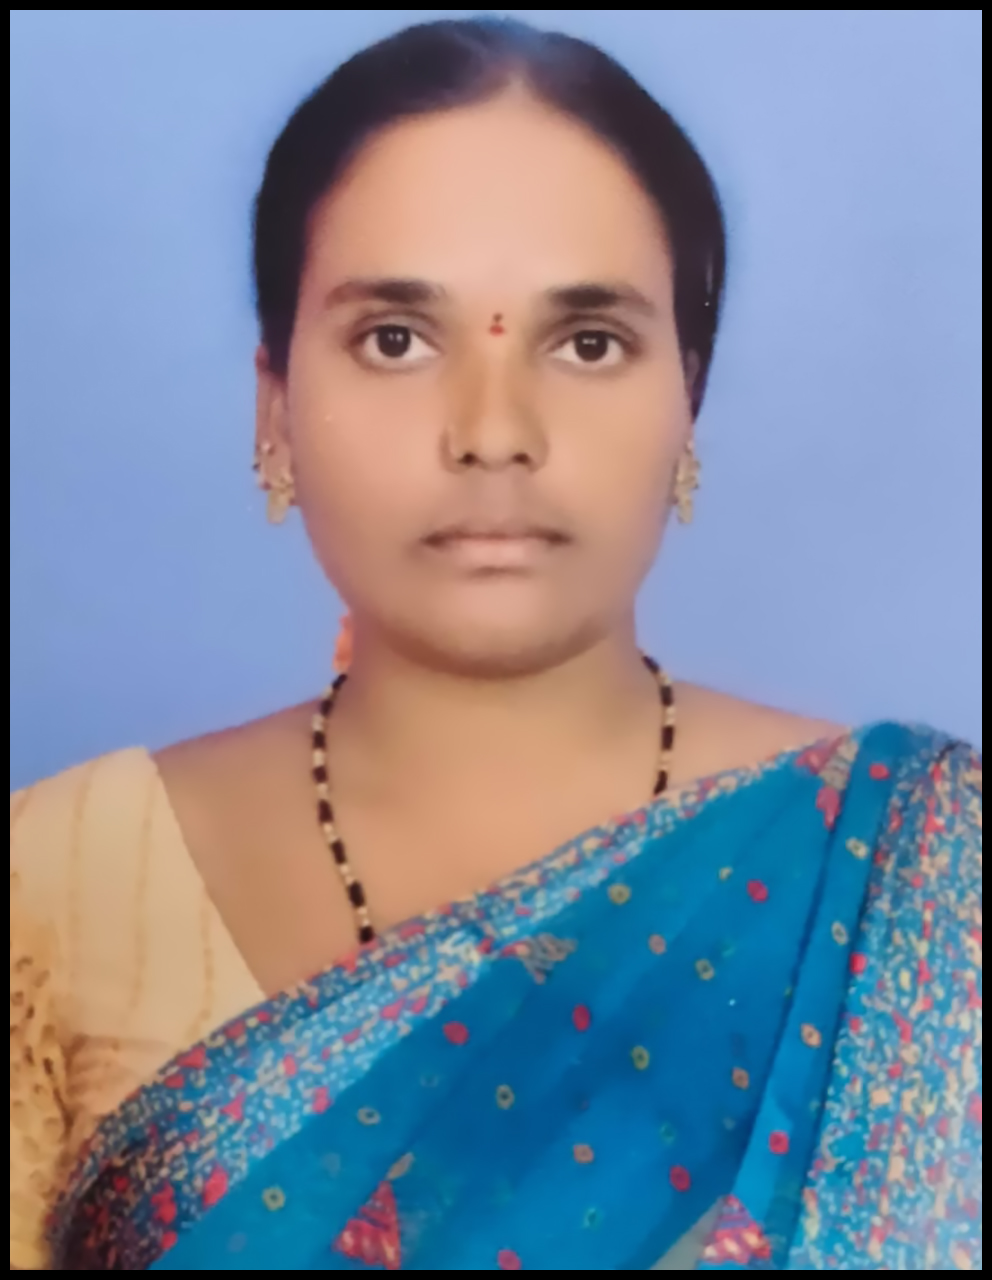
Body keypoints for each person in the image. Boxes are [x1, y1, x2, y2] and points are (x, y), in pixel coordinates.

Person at [9, 16, 981, 1272]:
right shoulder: (58, 879)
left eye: (586, 343)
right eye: (394, 339)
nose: (491, 430)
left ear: (686, 400)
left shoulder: (923, 875)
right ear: (273, 405)